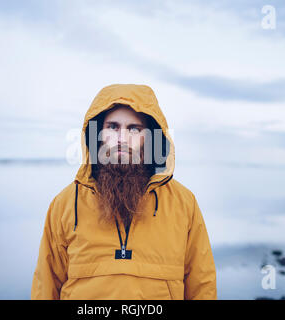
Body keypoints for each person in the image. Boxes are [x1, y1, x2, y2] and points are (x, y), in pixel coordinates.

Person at [31, 84, 217, 300]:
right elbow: (46, 286)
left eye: (134, 129)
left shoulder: (183, 203)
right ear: (98, 133)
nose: (122, 138)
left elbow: (202, 286)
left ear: (150, 138)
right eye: (112, 126)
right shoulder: (65, 204)